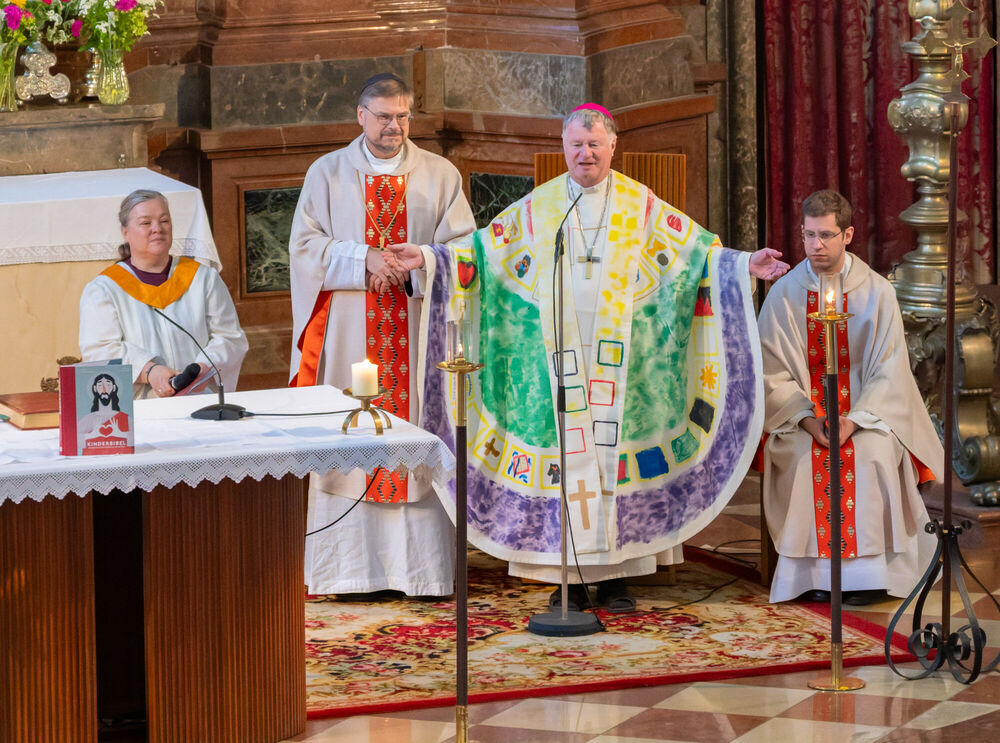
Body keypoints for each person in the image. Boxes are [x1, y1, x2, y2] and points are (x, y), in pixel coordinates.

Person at [392, 104, 788, 612]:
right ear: (564, 147)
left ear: (612, 147)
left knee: (617, 467)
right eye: (577, 145)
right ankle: (571, 581)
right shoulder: (541, 207)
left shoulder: (639, 204)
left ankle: (622, 579)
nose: (585, 154)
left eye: (595, 145)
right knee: (571, 469)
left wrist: (741, 264)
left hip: (627, 370)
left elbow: (696, 252)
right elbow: (484, 253)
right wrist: (429, 258)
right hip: (556, 366)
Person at [288, 72, 476, 597]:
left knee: (411, 434)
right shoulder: (326, 173)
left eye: (402, 116)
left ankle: (422, 574)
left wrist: (419, 263)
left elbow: (465, 251)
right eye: (384, 116)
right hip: (351, 331)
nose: (394, 126)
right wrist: (363, 258)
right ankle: (348, 572)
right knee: (351, 436)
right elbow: (303, 248)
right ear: (361, 115)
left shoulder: (440, 175)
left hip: (415, 334)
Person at [758, 189, 942, 605]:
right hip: (802, 417)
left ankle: (870, 576)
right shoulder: (785, 294)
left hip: (867, 415)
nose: (815, 246)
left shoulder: (877, 292)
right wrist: (808, 419)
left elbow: (891, 371)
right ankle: (814, 577)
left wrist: (854, 420)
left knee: (874, 453)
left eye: (825, 235)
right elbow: (772, 373)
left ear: (848, 235)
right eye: (808, 235)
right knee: (806, 457)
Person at [79, 190, 248, 399]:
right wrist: (149, 371)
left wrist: (202, 367)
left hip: (199, 399)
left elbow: (230, 337)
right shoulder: (105, 290)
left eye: (164, 220)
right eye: (145, 223)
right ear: (125, 231)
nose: (157, 229)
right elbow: (99, 351)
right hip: (141, 406)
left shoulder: (203, 278)